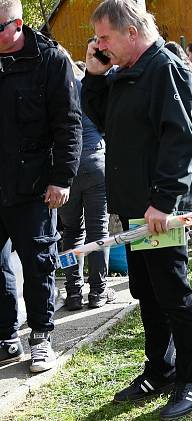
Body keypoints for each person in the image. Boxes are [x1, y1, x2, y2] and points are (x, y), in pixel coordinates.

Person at [82, 0, 192, 418]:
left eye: (104, 37)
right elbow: (105, 122)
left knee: (173, 292)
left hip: (160, 210)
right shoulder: (127, 71)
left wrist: (162, 202)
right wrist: (95, 77)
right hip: (140, 207)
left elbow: (180, 138)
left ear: (131, 32)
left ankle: (191, 379)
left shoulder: (165, 67)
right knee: (147, 293)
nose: (99, 46)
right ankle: (161, 368)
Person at [0, 0, 82, 373]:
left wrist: (62, 179)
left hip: (34, 185)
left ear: (16, 24)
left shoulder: (51, 61)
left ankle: (41, 337)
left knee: (38, 263)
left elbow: (69, 125)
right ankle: (6, 335)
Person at [59, 58, 115, 311]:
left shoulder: (50, 92)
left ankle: (72, 292)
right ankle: (98, 292)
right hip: (94, 161)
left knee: (71, 233)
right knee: (98, 231)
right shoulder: (86, 87)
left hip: (65, 171)